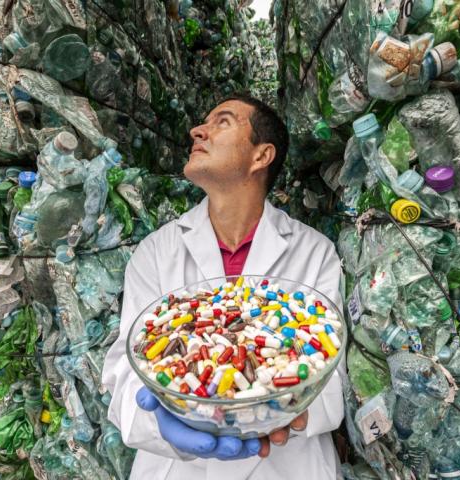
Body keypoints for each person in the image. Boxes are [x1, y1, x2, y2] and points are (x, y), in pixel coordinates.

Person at [102, 94, 345, 479]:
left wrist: (282, 414)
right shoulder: (155, 252)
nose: (198, 130)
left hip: (285, 465)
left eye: (223, 122)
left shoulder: (315, 251)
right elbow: (127, 371)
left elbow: (331, 374)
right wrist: (165, 426)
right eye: (204, 122)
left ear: (261, 156)